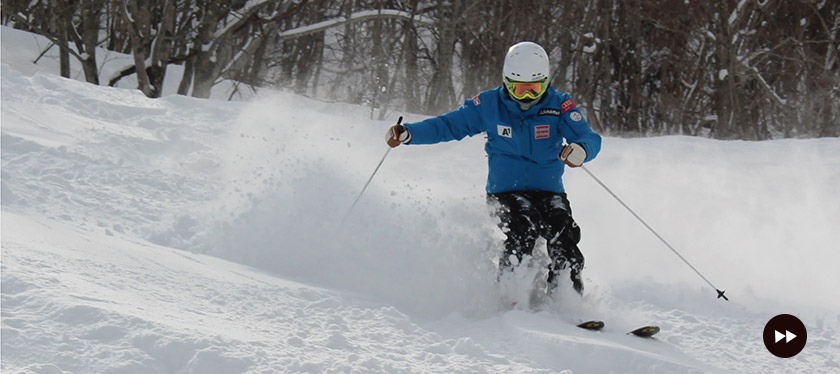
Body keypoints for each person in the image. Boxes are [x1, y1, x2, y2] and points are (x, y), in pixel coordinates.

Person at [385, 41, 601, 296]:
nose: (528, 97)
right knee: (524, 226)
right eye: (519, 90)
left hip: (549, 192)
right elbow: (448, 126)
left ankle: (566, 299)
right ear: (507, 83)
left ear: (546, 82)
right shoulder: (488, 105)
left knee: (563, 232)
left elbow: (589, 137)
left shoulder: (559, 106)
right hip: (505, 193)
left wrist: (581, 150)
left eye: (535, 89)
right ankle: (511, 294)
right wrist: (409, 133)